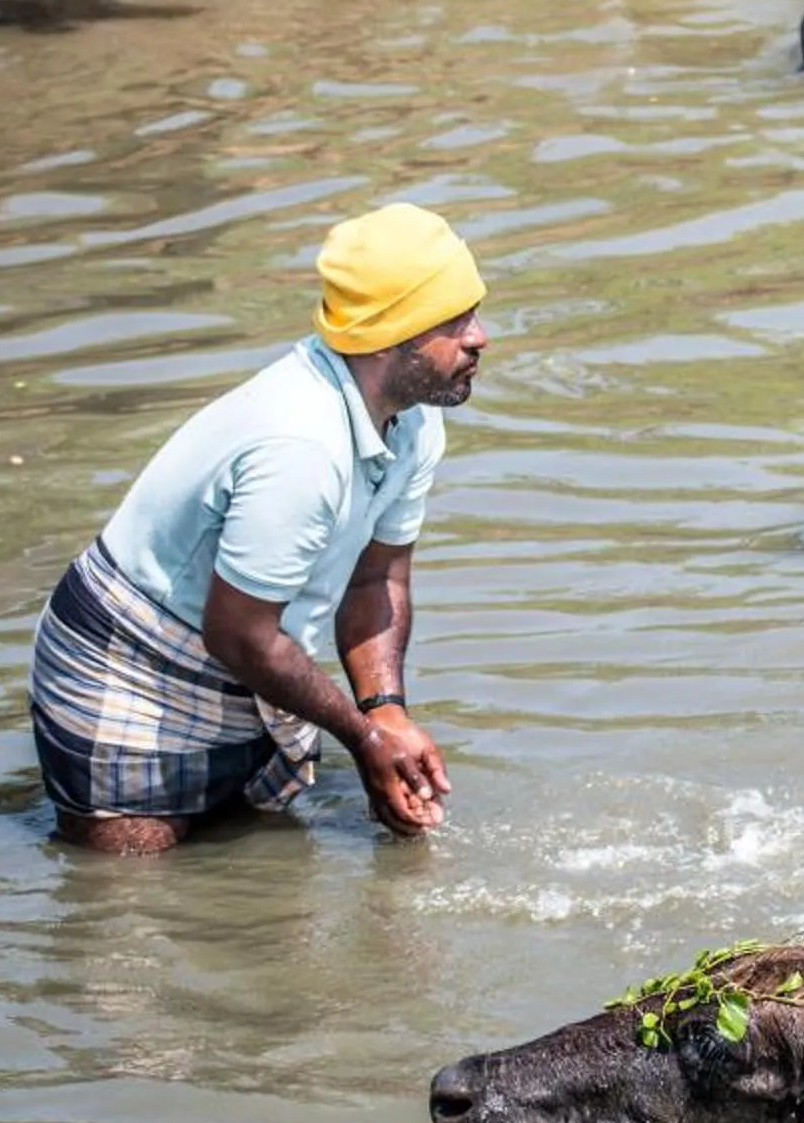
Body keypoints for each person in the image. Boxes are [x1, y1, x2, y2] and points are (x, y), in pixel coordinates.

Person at [28, 203, 489, 853]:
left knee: (257, 861)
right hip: (128, 665)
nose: (480, 337)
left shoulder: (412, 417)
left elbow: (375, 579)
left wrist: (386, 711)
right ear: (389, 334)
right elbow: (238, 633)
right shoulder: (301, 446)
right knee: (128, 904)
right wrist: (362, 740)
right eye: (454, 320)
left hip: (242, 651)